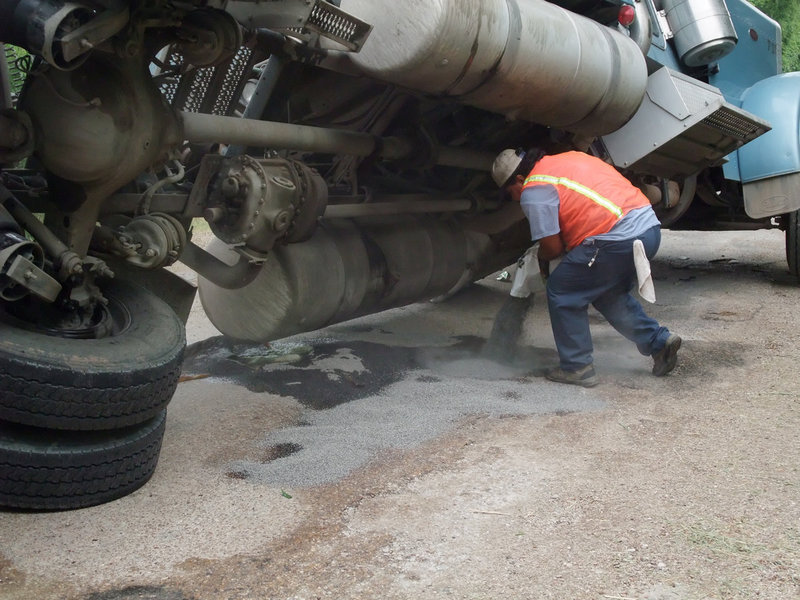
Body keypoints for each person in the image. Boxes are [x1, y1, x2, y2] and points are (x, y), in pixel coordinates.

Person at [491, 148, 681, 387]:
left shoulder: (534, 189)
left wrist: (537, 257)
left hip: (616, 238)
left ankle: (576, 366)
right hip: (648, 230)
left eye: (511, 194)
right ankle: (659, 342)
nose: (516, 200)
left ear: (519, 180)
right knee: (606, 293)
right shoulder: (568, 158)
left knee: (562, 290)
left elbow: (552, 246)